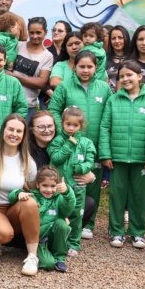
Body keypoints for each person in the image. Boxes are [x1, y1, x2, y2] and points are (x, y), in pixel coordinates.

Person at [101, 60, 145, 249]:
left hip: (142, 159)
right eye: (122, 76)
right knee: (117, 195)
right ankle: (117, 231)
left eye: (129, 75)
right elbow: (105, 127)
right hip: (117, 158)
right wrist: (106, 153)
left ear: (139, 75)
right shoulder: (113, 99)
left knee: (139, 196)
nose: (125, 79)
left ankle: (137, 232)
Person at [47, 50, 111, 238]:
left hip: (93, 144)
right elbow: (54, 111)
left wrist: (104, 146)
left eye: (89, 66)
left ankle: (87, 223)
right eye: (81, 66)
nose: (85, 70)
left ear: (96, 68)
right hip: (68, 145)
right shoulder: (65, 87)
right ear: (74, 67)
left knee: (91, 182)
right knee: (69, 183)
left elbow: (108, 118)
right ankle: (64, 220)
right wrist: (65, 136)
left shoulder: (104, 88)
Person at [0, 114, 41, 277]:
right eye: (11, 129)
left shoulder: (27, 161)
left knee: (30, 203)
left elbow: (33, 189)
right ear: (3, 130)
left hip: (14, 207)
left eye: (19, 131)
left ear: (23, 135)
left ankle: (32, 256)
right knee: (2, 234)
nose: (14, 134)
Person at [48, 106, 97, 256]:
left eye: (75, 125)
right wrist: (69, 145)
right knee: (58, 213)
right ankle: (56, 241)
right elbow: (56, 158)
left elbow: (90, 162)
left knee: (77, 215)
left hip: (78, 186)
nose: (71, 128)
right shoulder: (56, 141)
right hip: (60, 186)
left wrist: (81, 168)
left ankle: (74, 243)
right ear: (62, 123)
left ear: (81, 126)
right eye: (68, 124)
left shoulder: (87, 143)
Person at [13, 167, 74, 272]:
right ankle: (39, 254)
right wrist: (18, 193)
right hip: (39, 239)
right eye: (45, 185)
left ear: (57, 185)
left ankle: (60, 258)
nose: (49, 190)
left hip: (54, 236)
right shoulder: (33, 196)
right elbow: (11, 197)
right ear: (37, 185)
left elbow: (69, 208)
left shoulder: (59, 198)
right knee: (48, 264)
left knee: (61, 223)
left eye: (53, 186)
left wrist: (68, 192)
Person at [11, 17, 54, 114]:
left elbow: (41, 82)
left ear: (45, 32)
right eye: (31, 32)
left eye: (38, 33)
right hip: (9, 102)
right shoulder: (18, 46)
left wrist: (14, 76)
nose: (34, 36)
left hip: (28, 106)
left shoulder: (47, 56)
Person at [105, 25, 130, 91]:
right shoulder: (105, 58)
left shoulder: (133, 58)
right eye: (113, 38)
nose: (117, 41)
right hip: (109, 97)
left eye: (120, 38)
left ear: (126, 38)